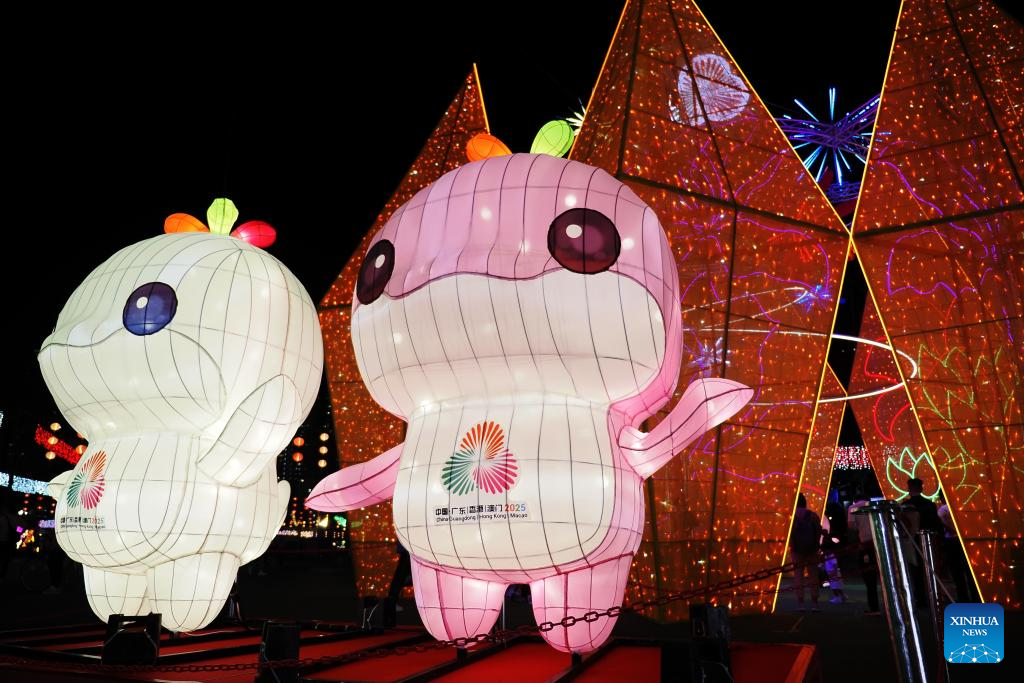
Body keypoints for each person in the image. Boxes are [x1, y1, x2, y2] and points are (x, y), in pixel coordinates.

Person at [903, 477, 940, 608]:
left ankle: (921, 598)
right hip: (929, 541)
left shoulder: (906, 506)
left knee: (915, 571)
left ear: (909, 488)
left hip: (912, 542)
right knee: (930, 569)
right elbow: (936, 524)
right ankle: (934, 596)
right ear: (921, 488)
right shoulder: (929, 504)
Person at [937, 492, 978, 603]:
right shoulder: (959, 508)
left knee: (957, 571)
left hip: (952, 541)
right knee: (968, 570)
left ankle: (963, 597)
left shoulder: (942, 509)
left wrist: (953, 530)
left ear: (941, 498)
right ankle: (975, 597)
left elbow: (943, 523)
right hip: (963, 540)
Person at [848, 498, 881, 615]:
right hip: (880, 543)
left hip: (865, 544)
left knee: (869, 577)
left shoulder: (853, 507)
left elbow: (851, 526)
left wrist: (859, 529)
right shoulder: (875, 506)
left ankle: (874, 607)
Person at [789, 493, 821, 612]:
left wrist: (793, 545)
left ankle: (800, 603)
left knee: (798, 575)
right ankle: (815, 603)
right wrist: (816, 545)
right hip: (812, 550)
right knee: (813, 575)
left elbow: (790, 534)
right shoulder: (813, 515)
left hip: (797, 551)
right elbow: (818, 532)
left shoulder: (792, 516)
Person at [822, 502, 848, 604]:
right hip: (837, 550)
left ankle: (838, 595)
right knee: (836, 574)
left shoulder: (827, 521)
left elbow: (828, 537)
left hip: (830, 552)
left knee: (832, 574)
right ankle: (841, 595)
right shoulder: (840, 520)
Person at [388, 541, 412, 611]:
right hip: (408, 550)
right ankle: (392, 603)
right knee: (399, 577)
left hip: (407, 549)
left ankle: (391, 603)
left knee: (399, 577)